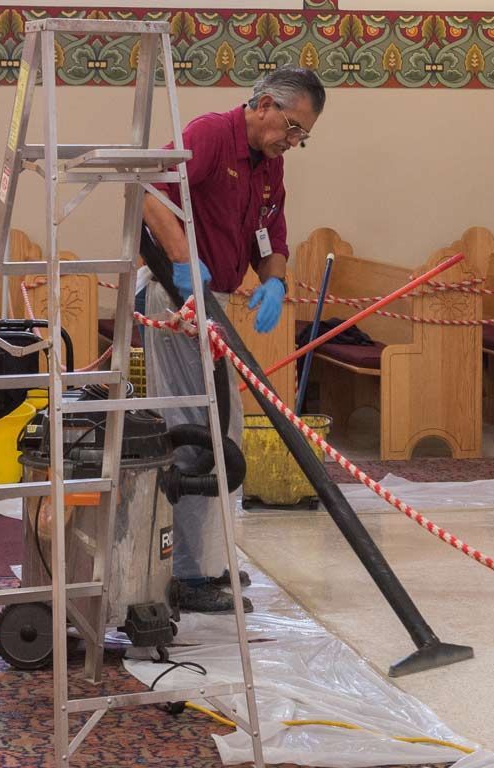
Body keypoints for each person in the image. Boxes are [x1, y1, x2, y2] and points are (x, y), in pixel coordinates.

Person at [138, 68, 326, 612]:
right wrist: (182, 260)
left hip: (212, 301)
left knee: (224, 429)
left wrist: (274, 281)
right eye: (292, 127)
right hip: (176, 296)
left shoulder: (269, 165)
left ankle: (210, 560)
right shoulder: (211, 134)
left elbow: (273, 237)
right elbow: (148, 191)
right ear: (264, 104)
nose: (293, 141)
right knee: (195, 430)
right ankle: (188, 574)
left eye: (302, 135)